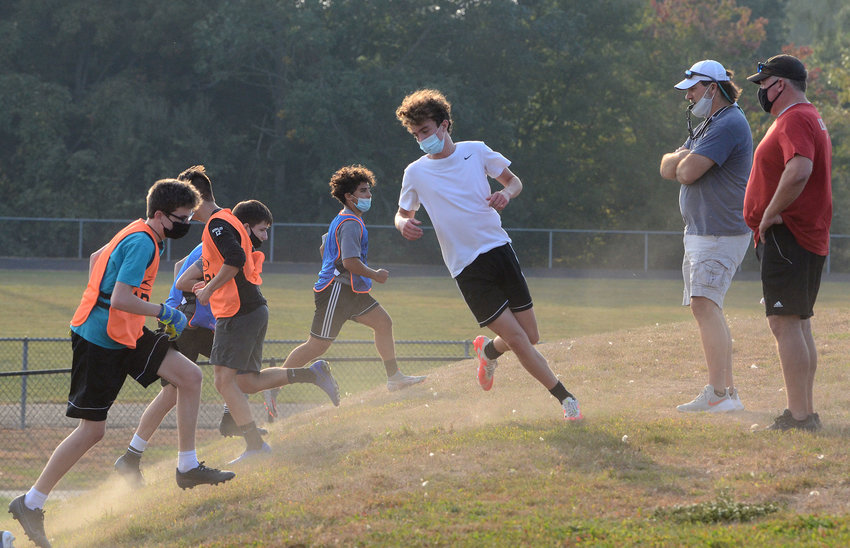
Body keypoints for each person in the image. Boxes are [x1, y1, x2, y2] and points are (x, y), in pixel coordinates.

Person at [8, 179, 235, 548]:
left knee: (190, 377)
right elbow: (119, 299)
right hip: (99, 340)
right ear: (160, 215)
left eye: (190, 217)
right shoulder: (144, 242)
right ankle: (30, 503)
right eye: (181, 217)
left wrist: (119, 306)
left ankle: (187, 466)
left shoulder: (141, 229)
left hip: (125, 331)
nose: (186, 224)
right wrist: (162, 311)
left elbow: (97, 259)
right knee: (91, 432)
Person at [393, 88, 582, 420]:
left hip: (499, 249)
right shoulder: (415, 172)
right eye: (415, 134)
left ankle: (487, 350)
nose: (422, 139)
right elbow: (402, 212)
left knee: (530, 336)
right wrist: (402, 224)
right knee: (520, 340)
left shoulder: (475, 151)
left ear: (444, 125)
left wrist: (506, 194)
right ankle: (566, 399)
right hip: (466, 267)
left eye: (425, 131)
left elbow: (514, 181)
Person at [194, 196, 340, 463]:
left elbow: (234, 260)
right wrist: (205, 285)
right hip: (251, 310)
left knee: (223, 381)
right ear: (247, 226)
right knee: (248, 382)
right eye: (262, 230)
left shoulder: (220, 226)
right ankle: (313, 374)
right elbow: (197, 273)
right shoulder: (227, 228)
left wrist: (208, 289)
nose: (265, 237)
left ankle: (255, 445)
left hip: (238, 312)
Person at [274, 165, 426, 392]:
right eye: (363, 191)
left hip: (350, 291)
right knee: (316, 346)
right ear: (348, 196)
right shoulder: (351, 223)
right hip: (336, 290)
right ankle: (273, 383)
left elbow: (324, 247)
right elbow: (349, 262)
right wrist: (376, 274)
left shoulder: (344, 219)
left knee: (383, 323)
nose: (369, 195)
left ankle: (394, 377)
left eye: (369, 191)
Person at [743, 54, 832, 432]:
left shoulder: (795, 117)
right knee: (798, 323)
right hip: (803, 235)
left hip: (789, 235)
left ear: (781, 83)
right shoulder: (807, 117)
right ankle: (805, 412)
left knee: (785, 324)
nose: (761, 90)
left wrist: (767, 215)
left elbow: (799, 169)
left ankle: (798, 416)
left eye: (764, 83)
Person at [659, 60, 753, 413]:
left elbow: (685, 172)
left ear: (713, 88)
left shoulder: (727, 123)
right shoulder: (710, 124)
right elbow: (667, 165)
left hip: (718, 233)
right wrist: (681, 159)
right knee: (708, 307)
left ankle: (718, 394)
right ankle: (727, 394)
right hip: (704, 232)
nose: (689, 97)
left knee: (704, 305)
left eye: (694, 89)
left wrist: (682, 160)